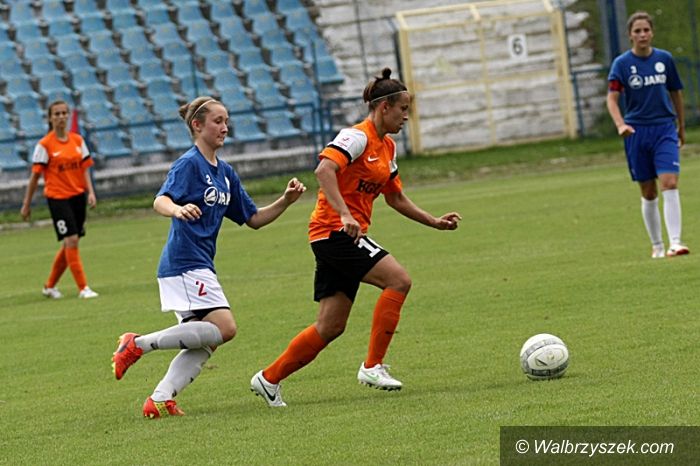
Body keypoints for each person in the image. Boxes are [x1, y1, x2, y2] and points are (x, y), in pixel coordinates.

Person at [250, 68, 462, 407]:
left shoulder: (387, 147)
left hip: (338, 235)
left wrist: (434, 222)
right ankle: (373, 366)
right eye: (402, 108)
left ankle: (269, 378)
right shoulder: (356, 137)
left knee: (330, 326)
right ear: (384, 107)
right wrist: (345, 214)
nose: (406, 116)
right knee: (399, 280)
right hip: (334, 232)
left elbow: (395, 198)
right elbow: (324, 170)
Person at [111, 96, 306, 418]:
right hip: (185, 262)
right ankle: (137, 343)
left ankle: (159, 400)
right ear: (197, 126)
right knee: (225, 328)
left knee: (206, 341)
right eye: (217, 121)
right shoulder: (189, 164)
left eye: (226, 121)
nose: (225, 127)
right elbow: (160, 200)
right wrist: (177, 209)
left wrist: (285, 200)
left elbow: (254, 219)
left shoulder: (225, 173)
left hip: (199, 264)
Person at [606, 11, 689, 259]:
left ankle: (675, 242)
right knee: (649, 191)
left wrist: (681, 126)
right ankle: (657, 245)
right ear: (630, 35)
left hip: (664, 128)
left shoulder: (665, 59)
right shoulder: (621, 64)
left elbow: (676, 93)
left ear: (652, 32)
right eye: (637, 31)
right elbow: (612, 99)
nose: (642, 35)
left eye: (646, 30)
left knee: (669, 182)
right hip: (636, 132)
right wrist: (620, 124)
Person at [20, 100, 99, 299]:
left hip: (77, 197)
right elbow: (35, 177)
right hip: (58, 198)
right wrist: (26, 204)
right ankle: (83, 288)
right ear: (50, 118)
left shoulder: (78, 141)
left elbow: (85, 169)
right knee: (71, 240)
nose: (61, 117)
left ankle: (49, 286)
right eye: (57, 114)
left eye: (64, 113)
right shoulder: (44, 145)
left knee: (70, 243)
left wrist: (90, 192)